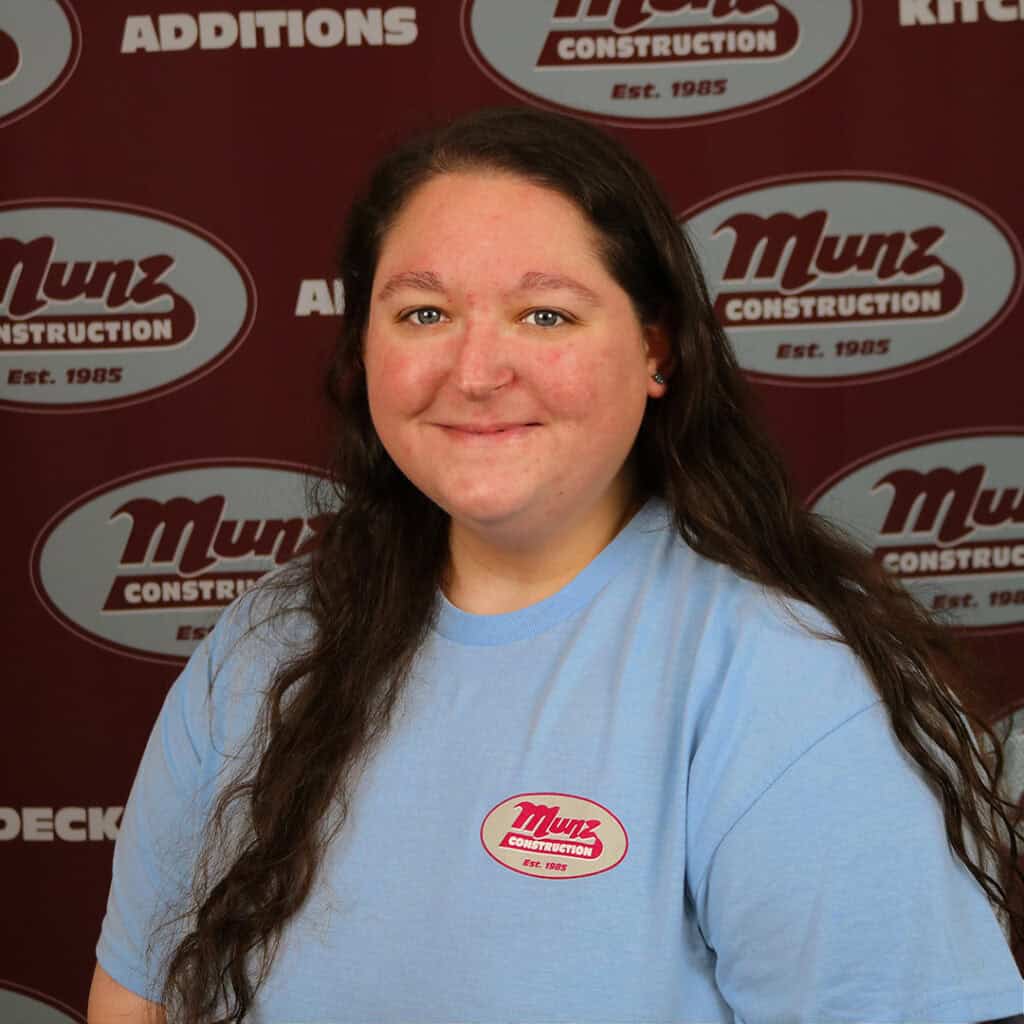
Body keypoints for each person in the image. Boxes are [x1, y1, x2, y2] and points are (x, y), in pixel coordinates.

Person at [88, 107, 1024, 1023]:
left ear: (656, 348)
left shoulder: (785, 675)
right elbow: (138, 998)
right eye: (423, 312)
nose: (478, 369)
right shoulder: (265, 640)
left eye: (544, 314)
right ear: (363, 346)